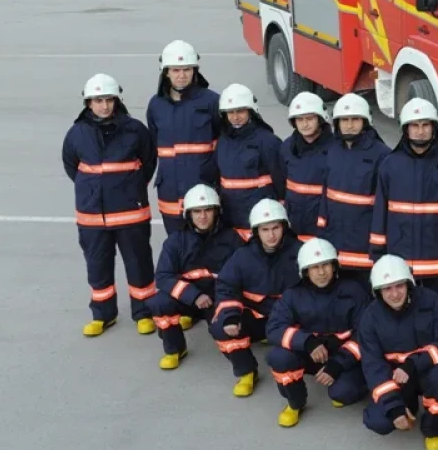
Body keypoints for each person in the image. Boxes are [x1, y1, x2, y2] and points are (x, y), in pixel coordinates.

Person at [62, 73, 157, 337]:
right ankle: (103, 315)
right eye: (98, 100)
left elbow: (148, 163)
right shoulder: (77, 133)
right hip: (92, 217)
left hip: (130, 213)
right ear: (88, 103)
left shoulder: (135, 130)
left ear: (117, 100)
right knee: (97, 265)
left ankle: (144, 312)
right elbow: (72, 167)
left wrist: (131, 187)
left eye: (108, 99)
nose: (104, 105)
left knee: (139, 263)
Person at [371, 98, 438, 324]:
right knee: (404, 323)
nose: (420, 131)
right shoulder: (390, 165)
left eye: (426, 125)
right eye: (415, 125)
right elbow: (380, 213)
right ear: (405, 129)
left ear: (435, 127)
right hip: (400, 264)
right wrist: (377, 254)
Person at [265, 238, 370, 427]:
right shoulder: (293, 294)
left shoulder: (353, 291)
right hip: (310, 353)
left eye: (325, 265)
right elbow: (274, 328)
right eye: (314, 267)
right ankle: (295, 402)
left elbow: (366, 334)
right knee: (279, 357)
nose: (321, 272)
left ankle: (349, 385)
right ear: (305, 271)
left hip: (343, 356)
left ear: (334, 266)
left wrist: (338, 364)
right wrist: (306, 342)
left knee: (343, 393)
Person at [359, 255, 438, 450]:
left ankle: (434, 428)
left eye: (399, 286)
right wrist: (393, 406)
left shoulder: (432, 301)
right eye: (387, 288)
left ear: (409, 284)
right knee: (378, 421)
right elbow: (373, 366)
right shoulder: (370, 317)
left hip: (428, 370)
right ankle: (406, 405)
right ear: (377, 291)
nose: (394, 294)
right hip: (395, 376)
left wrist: (413, 363)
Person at [210, 199, 302, 397]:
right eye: (265, 229)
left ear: (284, 227)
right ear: (256, 231)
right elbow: (226, 286)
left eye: (275, 228)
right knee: (220, 325)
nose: (271, 235)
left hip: (290, 321)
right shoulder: (243, 256)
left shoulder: (301, 254)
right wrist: (231, 316)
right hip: (257, 320)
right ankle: (247, 372)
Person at [146, 184, 242, 370]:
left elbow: (241, 275)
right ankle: (175, 349)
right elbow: (163, 276)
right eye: (197, 211)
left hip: (218, 299)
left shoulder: (232, 239)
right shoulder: (176, 241)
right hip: (189, 300)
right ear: (188, 214)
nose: (203, 216)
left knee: (226, 333)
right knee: (159, 303)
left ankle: (244, 369)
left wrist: (223, 303)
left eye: (208, 210)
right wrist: (194, 296)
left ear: (217, 212)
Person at [147, 40, 220, 234]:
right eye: (176, 70)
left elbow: (225, 145)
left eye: (186, 70)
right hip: (169, 194)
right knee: (177, 249)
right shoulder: (156, 105)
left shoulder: (211, 101)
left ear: (194, 71)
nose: (181, 76)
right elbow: (153, 145)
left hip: (204, 193)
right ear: (166, 72)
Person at [316, 93, 389, 276]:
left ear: (365, 121)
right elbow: (326, 196)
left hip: (365, 247)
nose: (349, 125)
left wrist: (378, 247)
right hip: (335, 243)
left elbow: (384, 206)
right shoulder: (331, 151)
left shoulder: (382, 155)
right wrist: (322, 234)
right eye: (344, 120)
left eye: (355, 119)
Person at [215, 83, 284, 241]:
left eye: (240, 111)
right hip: (231, 219)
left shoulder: (267, 141)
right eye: (230, 112)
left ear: (251, 111)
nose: (235, 116)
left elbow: (281, 181)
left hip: (260, 220)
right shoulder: (223, 141)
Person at [280, 91, 332, 241]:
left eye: (310, 118)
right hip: (294, 227)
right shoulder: (286, 148)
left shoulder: (335, 149)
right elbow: (281, 183)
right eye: (300, 119)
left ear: (320, 119)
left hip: (323, 228)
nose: (305, 124)